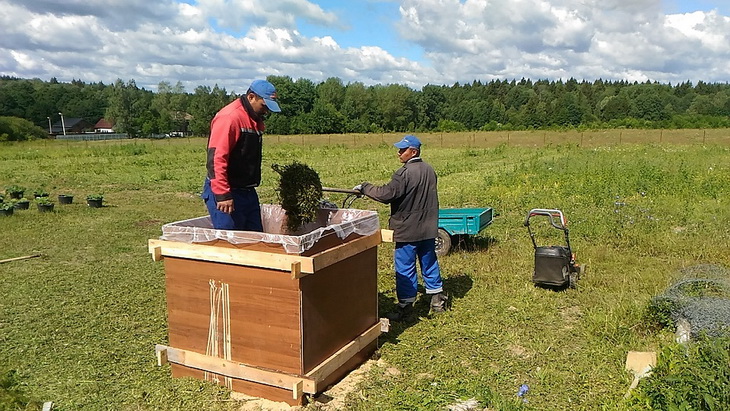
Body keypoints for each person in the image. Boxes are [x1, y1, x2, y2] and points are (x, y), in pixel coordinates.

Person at [355, 134, 448, 321]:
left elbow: (386, 194)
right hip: (428, 228)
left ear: (413, 152)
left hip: (408, 230)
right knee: (429, 263)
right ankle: (437, 301)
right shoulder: (430, 169)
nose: (399, 153)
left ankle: (406, 307)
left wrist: (365, 187)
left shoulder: (404, 173)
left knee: (405, 268)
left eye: (402, 150)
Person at [202, 79, 281, 231]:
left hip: (247, 191)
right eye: (264, 106)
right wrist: (223, 194)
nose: (266, 111)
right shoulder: (230, 118)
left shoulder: (255, 120)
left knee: (256, 240)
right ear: (251, 97)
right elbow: (216, 158)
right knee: (232, 244)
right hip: (228, 190)